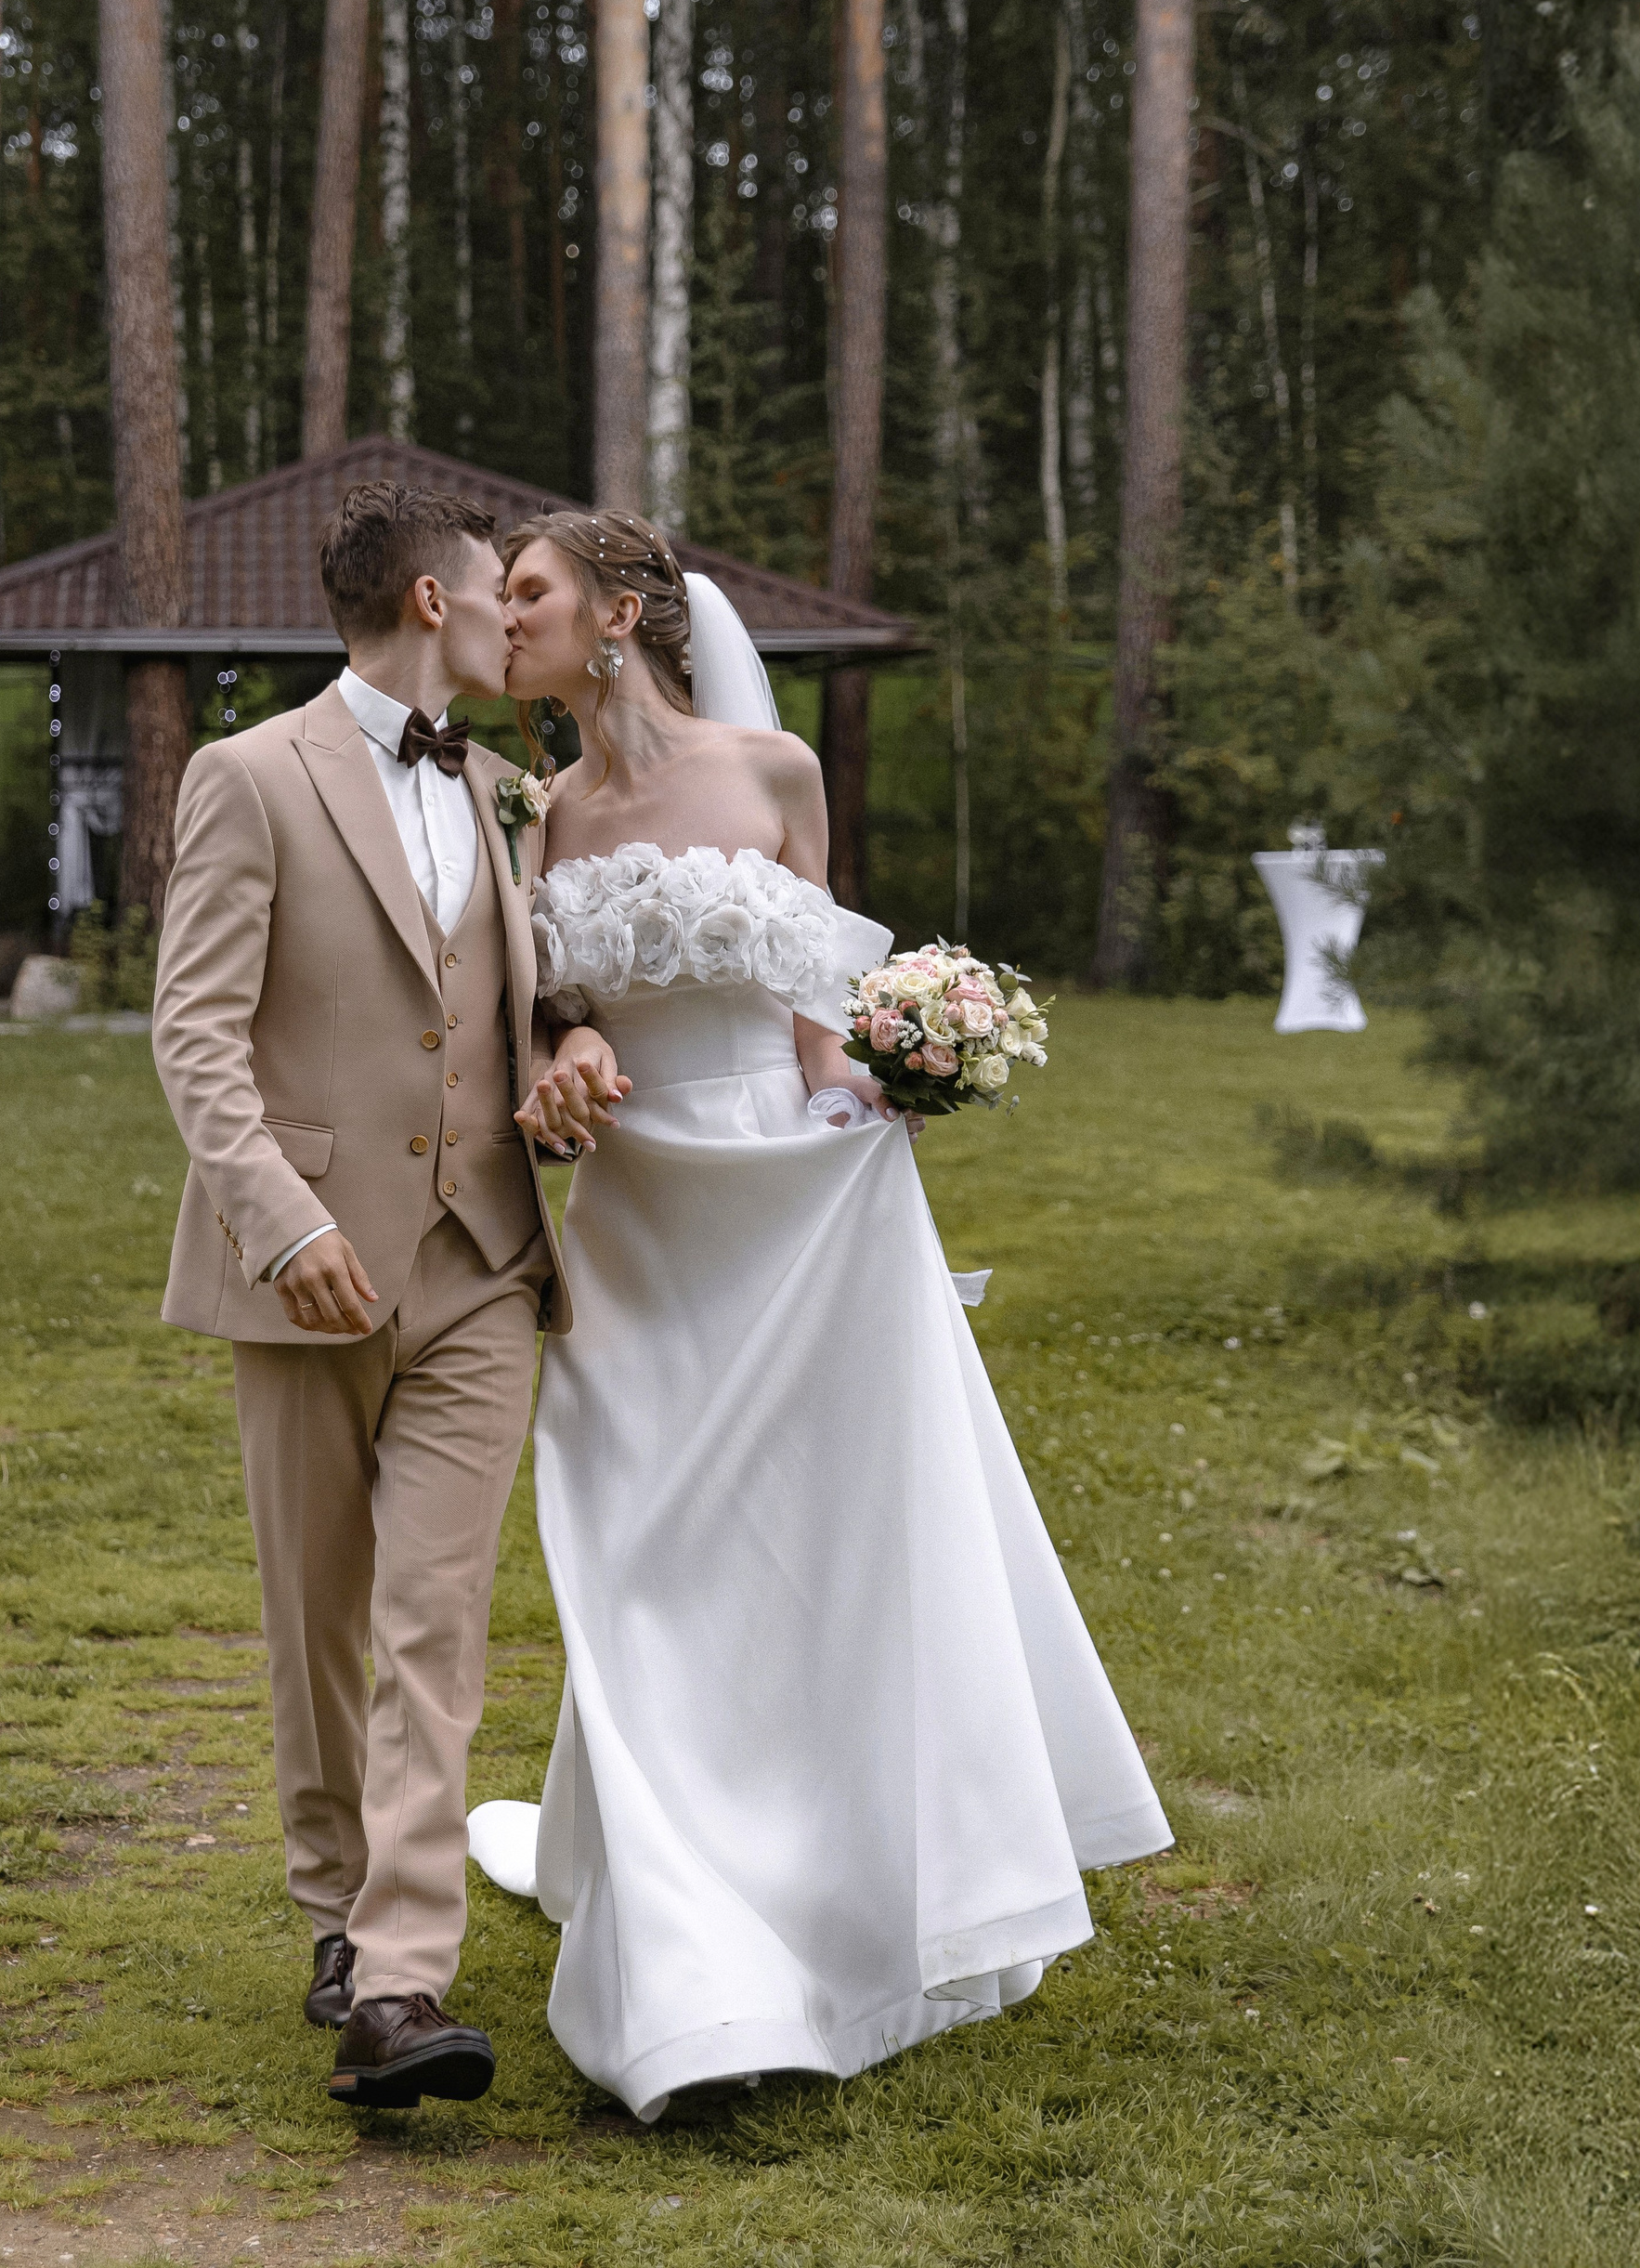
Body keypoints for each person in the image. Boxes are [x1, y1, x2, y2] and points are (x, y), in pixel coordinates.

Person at [470, 510, 1173, 2124]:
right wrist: (556, 1063)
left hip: (797, 1210)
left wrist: (900, 1073)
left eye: (531, 593)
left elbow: (809, 1018)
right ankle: (686, 1927)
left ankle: (806, 1907)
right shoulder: (541, 813)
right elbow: (537, 1013)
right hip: (640, 1221)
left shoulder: (776, 775)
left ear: (621, 611)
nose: (506, 621)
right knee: (636, 1559)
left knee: (824, 1544)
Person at [151, 481, 571, 2111]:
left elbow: (542, 989)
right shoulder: (249, 778)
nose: (506, 618)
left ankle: (402, 1982)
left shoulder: (514, 798)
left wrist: (577, 1038)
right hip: (307, 1275)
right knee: (317, 1623)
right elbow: (195, 1032)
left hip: (482, 1260)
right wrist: (276, 1221)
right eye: (489, 594)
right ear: (423, 601)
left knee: (433, 1625)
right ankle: (334, 1916)